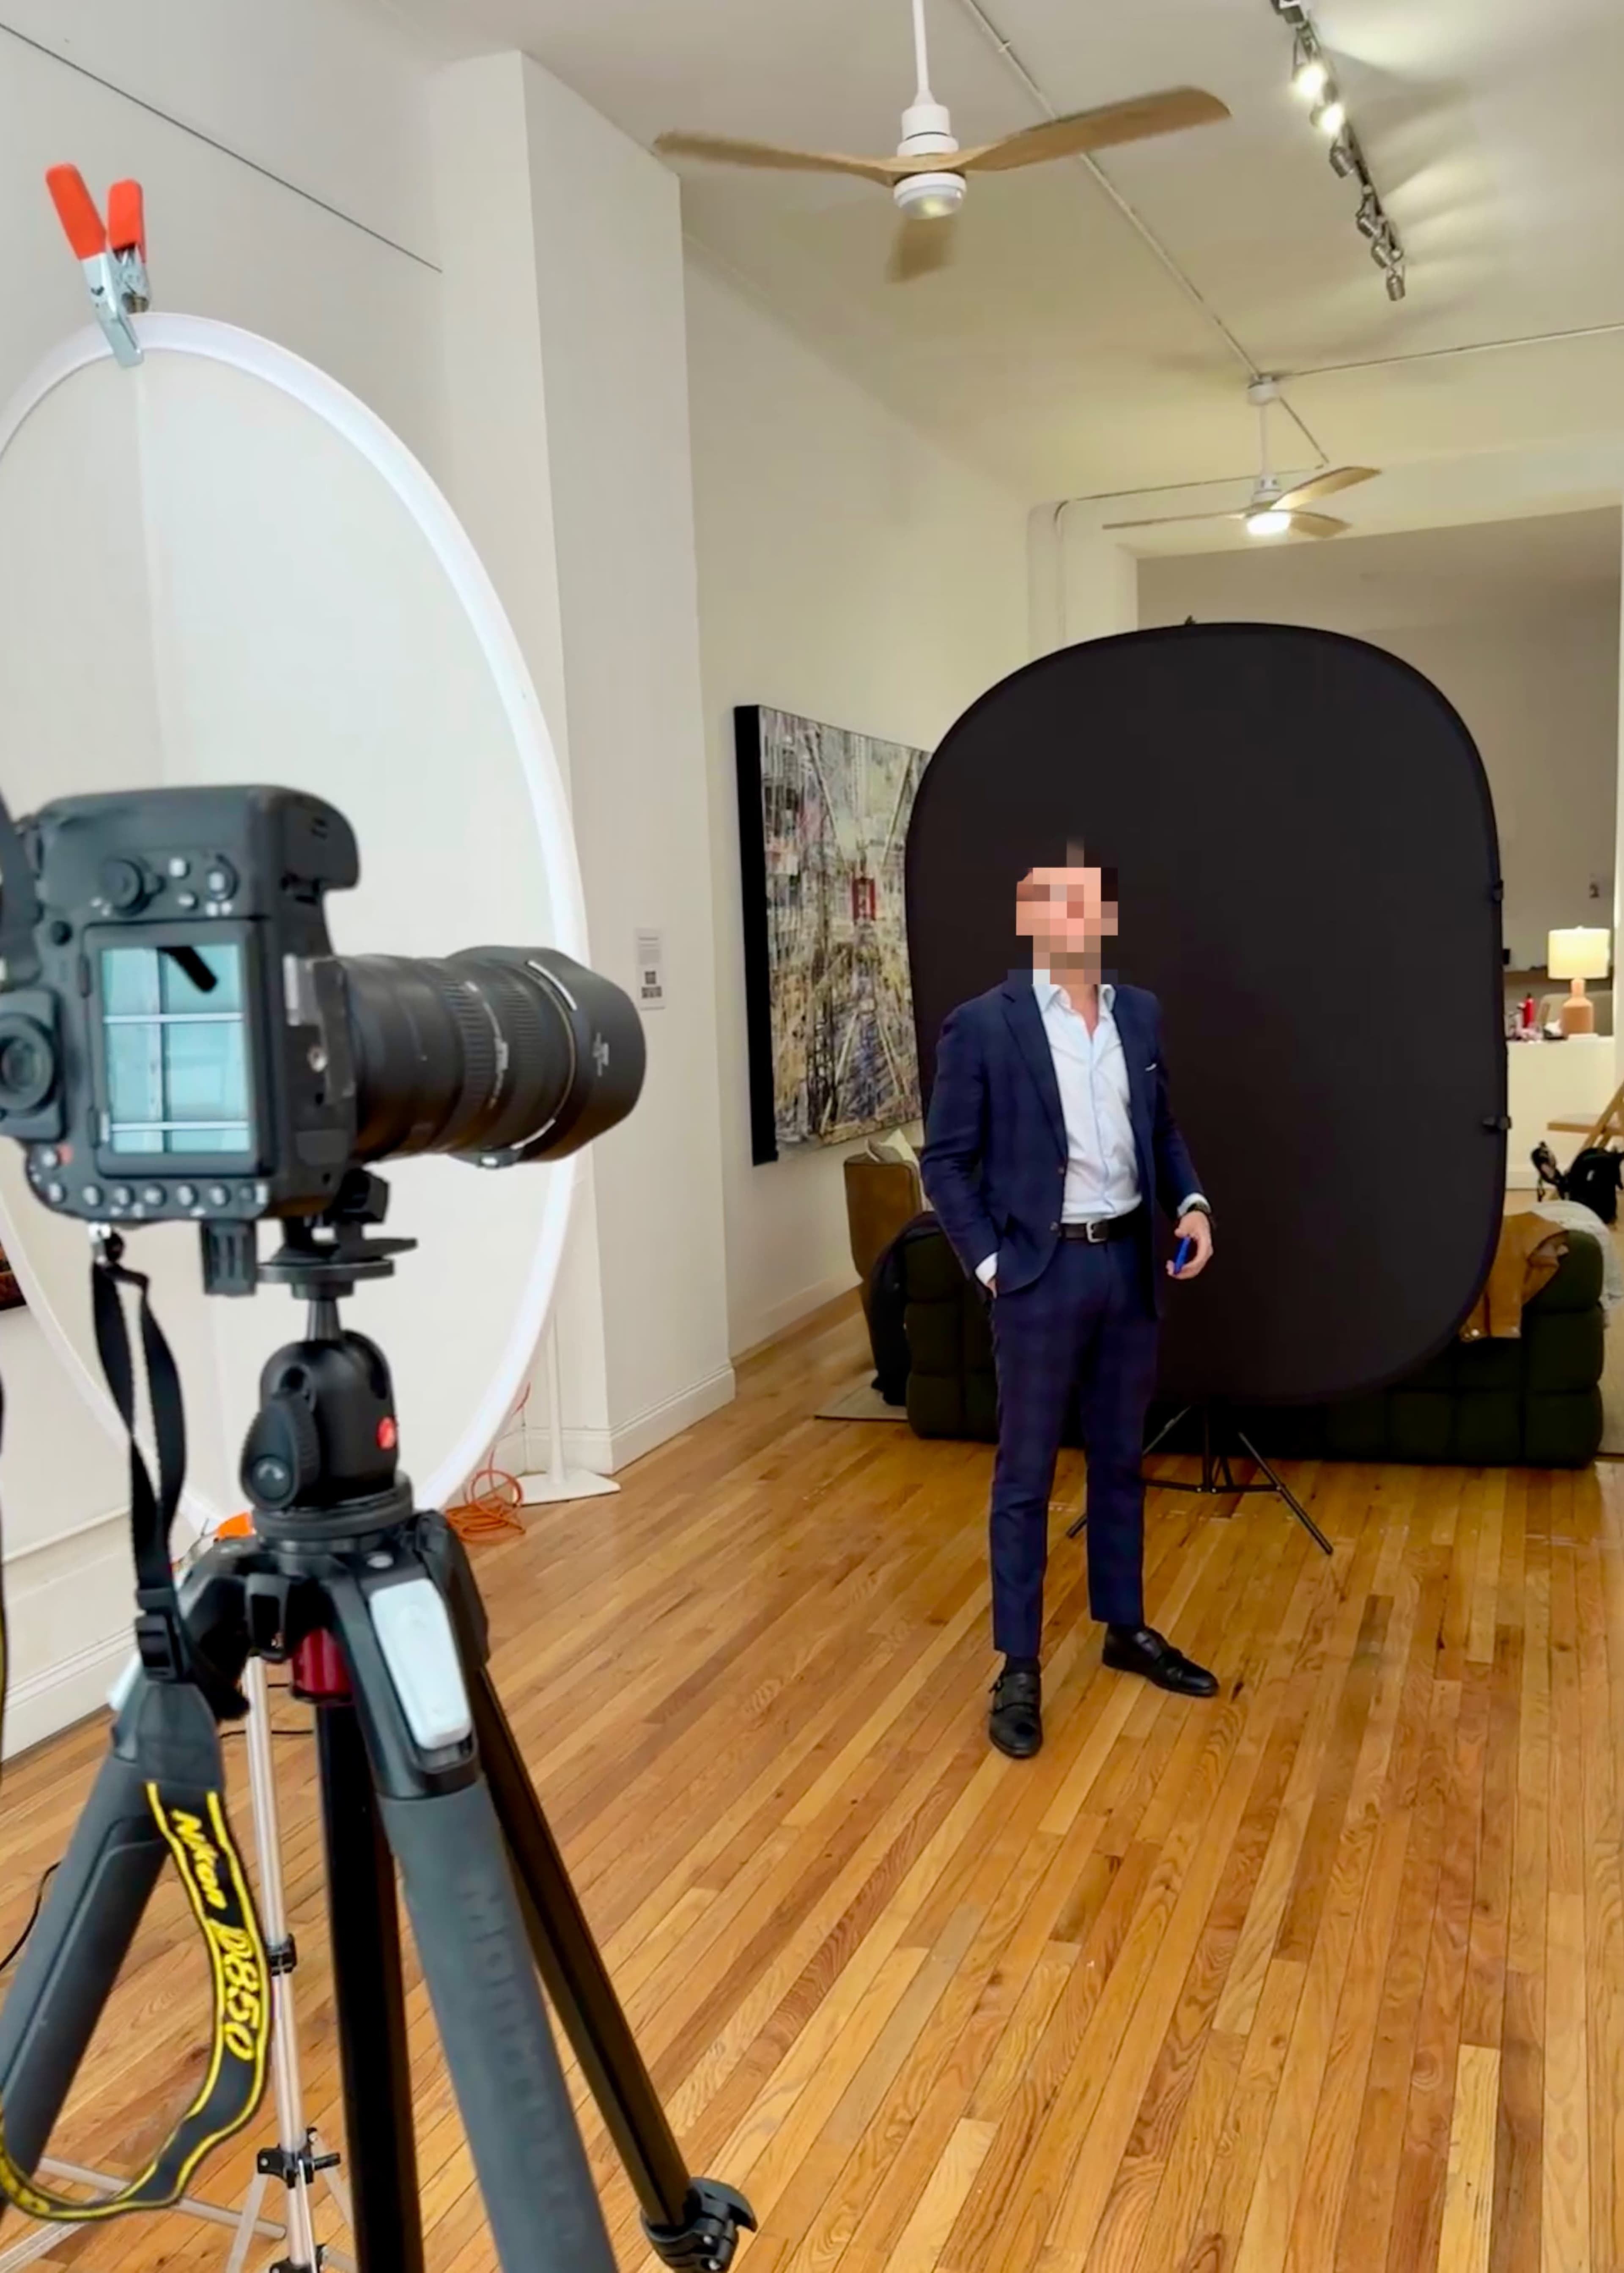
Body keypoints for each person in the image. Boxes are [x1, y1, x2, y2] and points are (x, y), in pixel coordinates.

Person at [920, 851, 1218, 1758]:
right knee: (1025, 1478)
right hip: (1040, 1277)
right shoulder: (983, 1025)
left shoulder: (1142, 1014)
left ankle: (1123, 1627)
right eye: (1055, 905)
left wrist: (1195, 1204)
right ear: (1033, 918)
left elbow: (1158, 1127)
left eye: (1087, 906)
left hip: (1129, 1264)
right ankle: (1019, 1666)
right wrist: (993, 1267)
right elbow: (945, 1163)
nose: (1073, 922)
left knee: (1121, 1460)